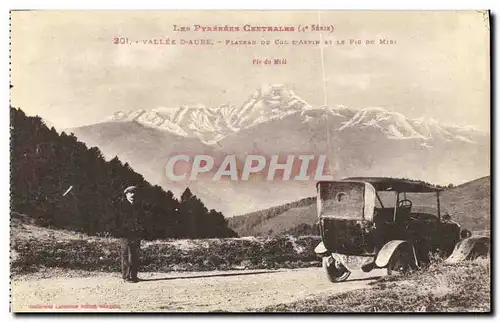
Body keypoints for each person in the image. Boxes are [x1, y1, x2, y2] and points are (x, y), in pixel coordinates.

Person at [120, 185, 143, 283]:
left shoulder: (138, 206)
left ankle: (134, 276)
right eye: (130, 193)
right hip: (126, 234)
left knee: (135, 255)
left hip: (136, 234)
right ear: (126, 195)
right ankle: (126, 276)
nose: (132, 195)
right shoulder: (121, 206)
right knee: (126, 255)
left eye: (134, 193)